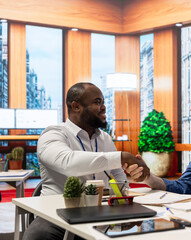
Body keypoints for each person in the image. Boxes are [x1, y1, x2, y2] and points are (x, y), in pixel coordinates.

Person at [23, 82, 150, 240]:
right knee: (38, 236)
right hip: (57, 216)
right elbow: (68, 163)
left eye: (103, 102)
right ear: (76, 106)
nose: (103, 107)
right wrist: (120, 157)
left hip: (100, 215)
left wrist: (126, 200)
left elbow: (118, 177)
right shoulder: (52, 134)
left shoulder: (105, 138)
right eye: (97, 102)